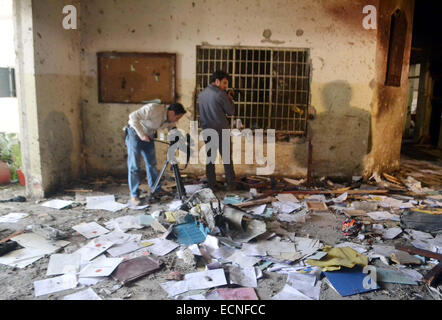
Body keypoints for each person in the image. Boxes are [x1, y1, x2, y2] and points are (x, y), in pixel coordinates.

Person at [125, 102, 186, 205]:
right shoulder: (154, 109)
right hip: (134, 133)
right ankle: (134, 195)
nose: (177, 120)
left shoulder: (169, 119)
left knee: (151, 164)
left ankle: (156, 189)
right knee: (134, 166)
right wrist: (141, 134)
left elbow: (172, 127)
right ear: (171, 113)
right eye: (177, 117)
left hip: (148, 136)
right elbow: (132, 117)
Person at [198, 70, 236, 191]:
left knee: (210, 159)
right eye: (224, 83)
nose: (226, 86)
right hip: (221, 130)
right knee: (226, 159)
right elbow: (230, 112)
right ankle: (231, 184)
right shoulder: (221, 94)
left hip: (207, 129)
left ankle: (211, 185)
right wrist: (229, 98)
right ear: (217, 81)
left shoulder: (202, 94)